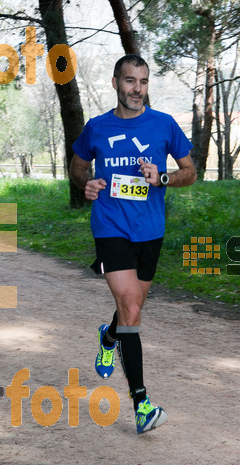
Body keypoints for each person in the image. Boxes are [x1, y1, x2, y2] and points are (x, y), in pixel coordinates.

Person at [70, 54, 197, 434]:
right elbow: (78, 166)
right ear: (115, 83)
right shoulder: (96, 127)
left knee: (132, 308)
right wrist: (86, 184)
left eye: (142, 81)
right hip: (110, 228)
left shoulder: (164, 125)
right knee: (130, 307)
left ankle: (108, 337)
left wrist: (162, 179)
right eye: (129, 81)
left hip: (150, 230)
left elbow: (190, 173)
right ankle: (142, 403)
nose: (136, 89)